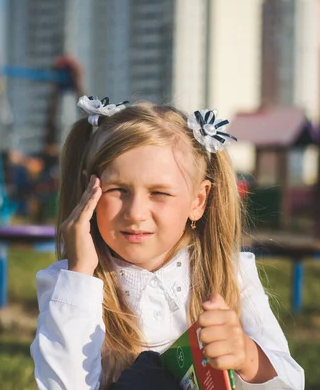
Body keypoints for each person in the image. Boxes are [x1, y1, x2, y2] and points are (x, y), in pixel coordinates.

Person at [30, 96, 305, 389]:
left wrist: (247, 357)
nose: (135, 213)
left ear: (198, 201)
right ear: (90, 190)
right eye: (118, 189)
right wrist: (81, 272)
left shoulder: (231, 273)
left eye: (159, 193)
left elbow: (292, 382)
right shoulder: (68, 284)